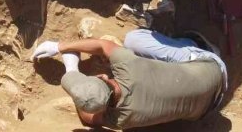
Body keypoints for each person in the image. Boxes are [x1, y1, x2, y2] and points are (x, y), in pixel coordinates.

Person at [31, 29, 227, 128]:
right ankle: (194, 44)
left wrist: (71, 69)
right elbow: (103, 45)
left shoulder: (123, 118)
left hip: (207, 108)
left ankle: (195, 46)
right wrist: (59, 46)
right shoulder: (128, 68)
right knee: (133, 39)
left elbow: (90, 118)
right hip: (212, 68)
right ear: (103, 77)